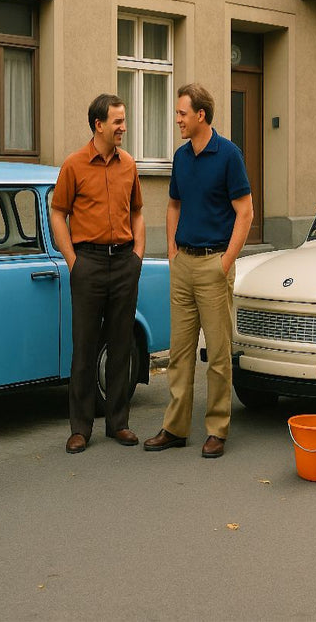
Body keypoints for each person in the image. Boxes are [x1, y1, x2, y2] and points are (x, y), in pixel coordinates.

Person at [144, 83, 253, 458]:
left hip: (214, 263)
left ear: (200, 115)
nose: (177, 120)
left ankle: (217, 428)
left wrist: (225, 263)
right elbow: (173, 205)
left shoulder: (229, 155)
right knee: (180, 352)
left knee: (219, 354)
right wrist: (172, 250)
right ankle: (175, 427)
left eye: (182, 114)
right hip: (184, 264)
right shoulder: (181, 156)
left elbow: (245, 212)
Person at [50, 94, 146, 454]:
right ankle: (80, 427)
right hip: (87, 262)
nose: (124, 127)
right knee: (85, 347)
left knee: (122, 345)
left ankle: (118, 423)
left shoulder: (129, 165)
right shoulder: (73, 165)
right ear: (99, 125)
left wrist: (137, 254)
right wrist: (72, 260)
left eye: (124, 120)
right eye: (118, 122)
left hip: (124, 262)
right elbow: (58, 213)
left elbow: (137, 211)